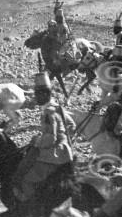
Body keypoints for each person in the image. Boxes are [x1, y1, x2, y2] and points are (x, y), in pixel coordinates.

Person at [12, 72, 75, 204]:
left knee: (25, 177)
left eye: (37, 95)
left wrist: (37, 140)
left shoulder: (48, 112)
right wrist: (63, 138)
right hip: (65, 149)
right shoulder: (57, 107)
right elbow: (71, 125)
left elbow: (51, 139)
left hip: (56, 153)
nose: (36, 98)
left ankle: (34, 210)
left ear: (46, 94)